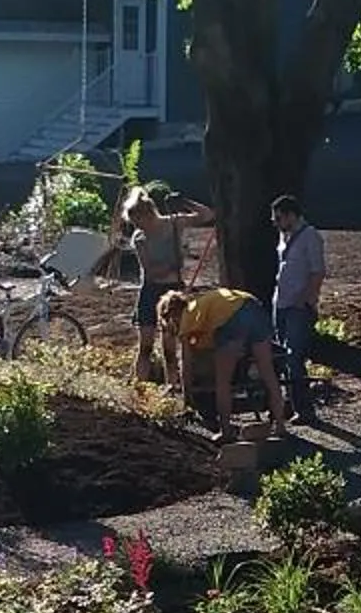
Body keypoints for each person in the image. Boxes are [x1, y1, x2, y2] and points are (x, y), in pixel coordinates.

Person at [119, 184, 210, 385]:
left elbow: (206, 215)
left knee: (170, 346)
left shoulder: (174, 223)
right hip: (151, 291)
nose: (137, 226)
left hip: (172, 291)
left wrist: (183, 201)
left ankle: (173, 386)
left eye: (138, 221)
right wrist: (171, 267)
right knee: (146, 345)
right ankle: (140, 387)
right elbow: (151, 272)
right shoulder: (140, 238)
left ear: (148, 214)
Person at [171, 285, 286, 440]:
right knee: (268, 373)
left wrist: (187, 398)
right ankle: (280, 426)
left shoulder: (187, 313)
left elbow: (187, 362)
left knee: (223, 382)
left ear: (172, 314)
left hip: (233, 319)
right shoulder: (205, 302)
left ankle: (226, 432)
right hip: (253, 307)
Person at [270, 194, 327, 420]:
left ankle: (304, 408)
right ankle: (289, 402)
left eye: (279, 218)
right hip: (281, 303)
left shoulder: (310, 237)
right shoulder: (284, 237)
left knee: (294, 356)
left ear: (291, 215)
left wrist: (306, 299)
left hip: (297, 306)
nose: (276, 222)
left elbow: (318, 271)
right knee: (281, 356)